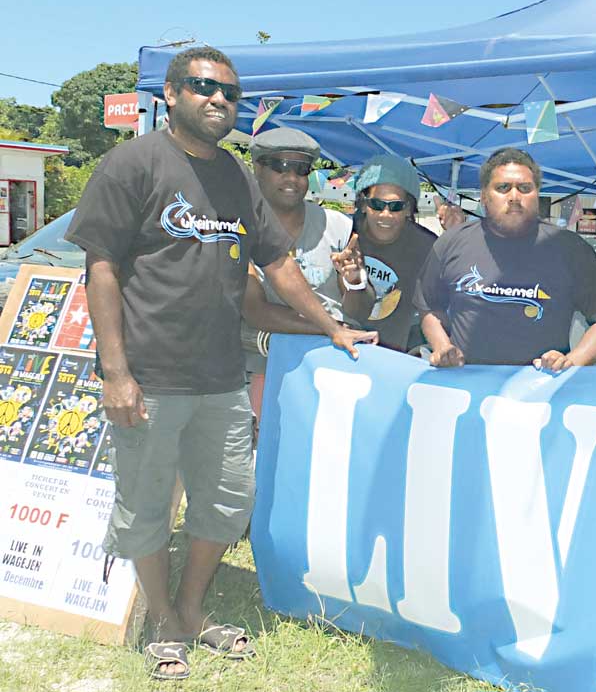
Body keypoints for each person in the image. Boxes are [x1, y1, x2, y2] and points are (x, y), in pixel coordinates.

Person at [65, 46, 376, 681]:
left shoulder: (236, 176)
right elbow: (101, 269)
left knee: (228, 501)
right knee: (147, 506)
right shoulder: (133, 163)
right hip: (150, 377)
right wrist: (116, 373)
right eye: (203, 87)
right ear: (171, 94)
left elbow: (278, 264)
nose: (218, 100)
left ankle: (190, 608)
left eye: (229, 93)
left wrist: (332, 326)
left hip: (221, 377)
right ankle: (160, 621)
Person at [415, 147, 596, 369]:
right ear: (484, 196)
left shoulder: (570, 248)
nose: (514, 197)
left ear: (537, 194)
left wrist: (572, 361)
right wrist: (442, 346)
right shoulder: (451, 242)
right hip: (466, 381)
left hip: (543, 383)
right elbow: (429, 307)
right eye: (502, 188)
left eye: (524, 188)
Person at [241, 127, 374, 415]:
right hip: (267, 371)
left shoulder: (337, 225)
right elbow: (255, 311)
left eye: (301, 169)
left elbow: (360, 311)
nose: (292, 177)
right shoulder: (238, 227)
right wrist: (332, 329)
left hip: (335, 370)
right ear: (258, 168)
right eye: (280, 166)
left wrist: (354, 283)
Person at [349, 154, 438, 352]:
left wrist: (455, 235)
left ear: (409, 209)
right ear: (363, 204)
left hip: (391, 356)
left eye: (396, 206)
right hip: (338, 347)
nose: (385, 214)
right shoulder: (343, 232)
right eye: (377, 204)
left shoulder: (427, 246)